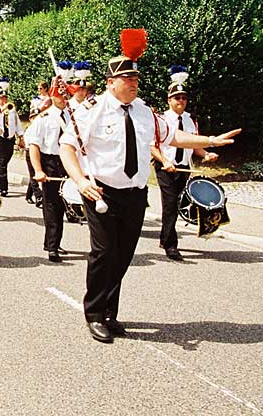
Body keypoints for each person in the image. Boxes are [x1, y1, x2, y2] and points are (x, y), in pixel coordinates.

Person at [59, 29, 240, 344]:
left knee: (123, 255)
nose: (133, 83)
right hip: (100, 192)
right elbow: (67, 148)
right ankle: (94, 313)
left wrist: (210, 140)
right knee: (104, 252)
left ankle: (110, 312)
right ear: (110, 82)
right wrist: (79, 179)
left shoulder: (145, 113)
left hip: (135, 195)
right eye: (127, 78)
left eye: (136, 79)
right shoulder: (91, 112)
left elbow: (173, 137)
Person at [150, 66, 218, 259]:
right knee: (170, 204)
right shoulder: (161, 119)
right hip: (165, 167)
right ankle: (171, 245)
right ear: (169, 100)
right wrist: (164, 161)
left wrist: (205, 154)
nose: (181, 101)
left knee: (177, 204)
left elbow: (193, 144)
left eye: (183, 98)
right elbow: (152, 146)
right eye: (176, 98)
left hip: (184, 167)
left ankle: (165, 237)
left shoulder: (190, 120)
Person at [29, 78, 71, 262]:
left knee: (63, 204)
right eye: (59, 95)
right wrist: (38, 170)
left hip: (67, 161)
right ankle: (52, 246)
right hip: (50, 161)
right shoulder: (44, 118)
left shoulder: (73, 117)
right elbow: (34, 146)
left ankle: (52, 241)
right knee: (52, 204)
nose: (63, 98)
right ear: (52, 96)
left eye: (65, 95)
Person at [0, 79, 24, 197]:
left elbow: (17, 124)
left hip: (10, 140)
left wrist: (20, 137)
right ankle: (4, 188)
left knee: (5, 162)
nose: (4, 100)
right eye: (1, 98)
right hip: (0, 139)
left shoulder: (12, 110)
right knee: (2, 164)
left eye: (5, 98)